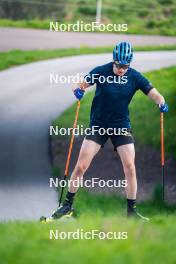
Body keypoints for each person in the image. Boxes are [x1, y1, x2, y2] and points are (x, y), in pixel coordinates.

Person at [52, 42, 168, 221]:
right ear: (113, 61)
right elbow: (78, 84)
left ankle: (131, 212)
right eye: (118, 65)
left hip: (121, 126)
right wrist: (78, 90)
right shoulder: (101, 71)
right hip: (98, 125)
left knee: (130, 167)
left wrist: (160, 102)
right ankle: (67, 206)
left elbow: (154, 93)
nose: (121, 69)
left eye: (125, 66)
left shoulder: (134, 77)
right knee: (81, 166)